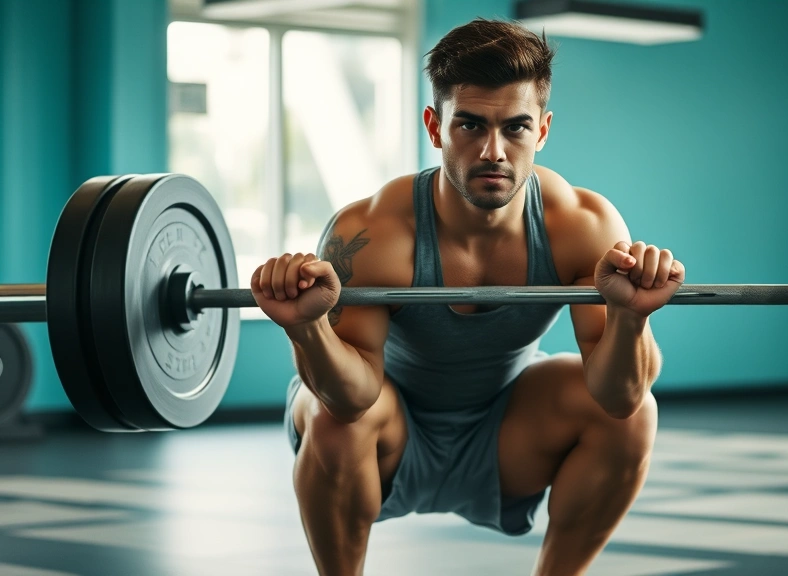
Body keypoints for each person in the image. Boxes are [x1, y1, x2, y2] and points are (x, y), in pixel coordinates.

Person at [250, 18, 685, 576]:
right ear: (435, 127)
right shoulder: (374, 231)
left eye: (516, 127)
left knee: (637, 414)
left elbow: (619, 398)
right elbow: (352, 398)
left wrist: (629, 319)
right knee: (332, 418)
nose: (493, 151)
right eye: (470, 125)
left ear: (543, 130)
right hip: (385, 429)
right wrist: (306, 329)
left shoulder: (581, 224)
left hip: (506, 431)